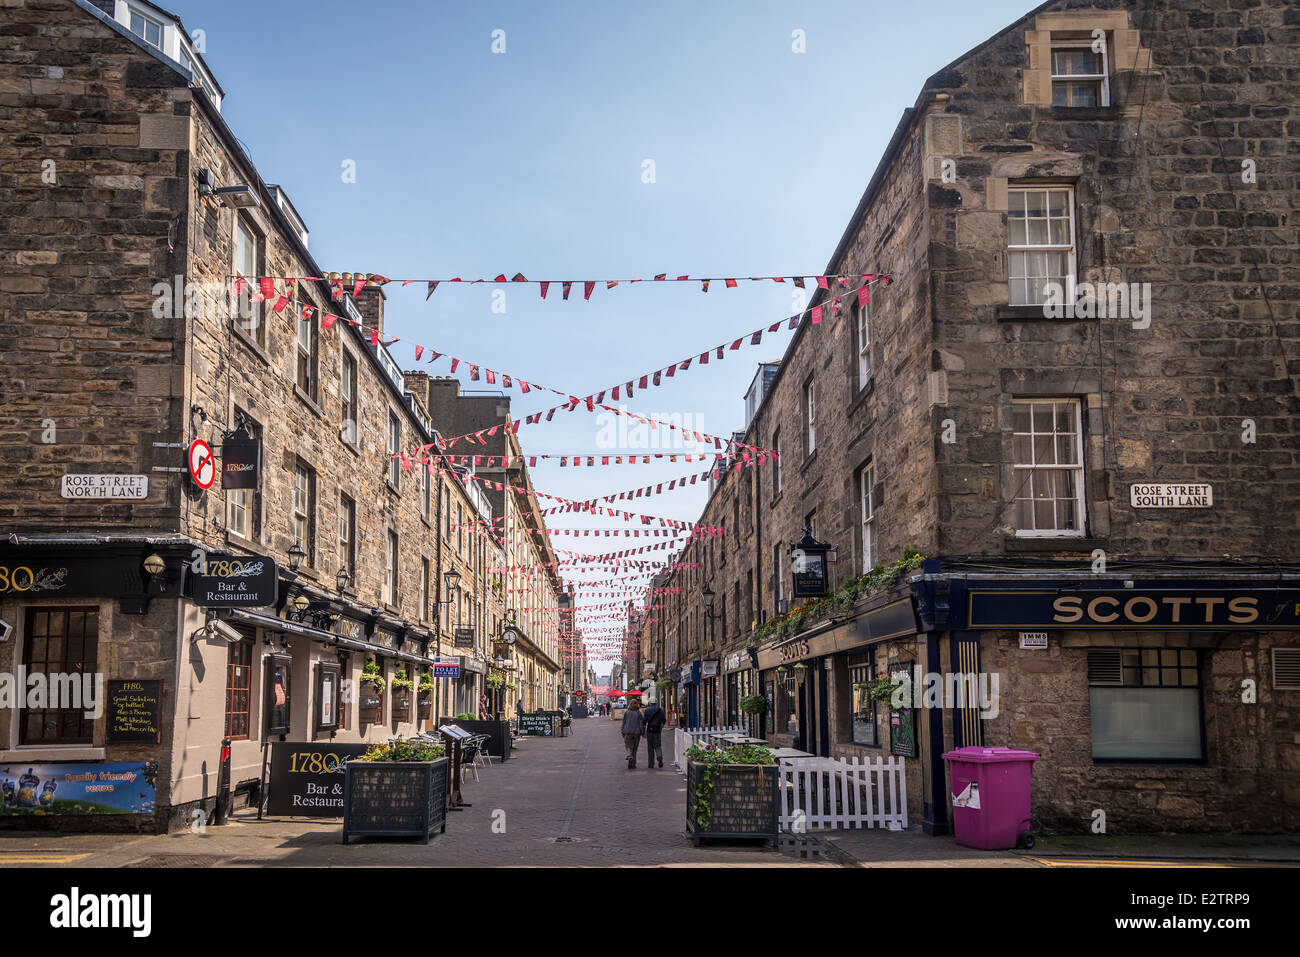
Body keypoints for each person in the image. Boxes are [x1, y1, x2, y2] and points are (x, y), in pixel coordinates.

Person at [620, 697, 645, 769]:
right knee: (635, 749)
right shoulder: (638, 713)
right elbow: (641, 724)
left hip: (627, 732)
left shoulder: (627, 712)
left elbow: (624, 722)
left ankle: (629, 755)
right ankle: (632, 764)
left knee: (628, 746)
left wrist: (622, 731)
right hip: (636, 733)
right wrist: (642, 732)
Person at [642, 698, 667, 769]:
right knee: (658, 745)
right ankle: (659, 756)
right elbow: (663, 721)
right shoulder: (660, 710)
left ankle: (651, 764)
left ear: (650, 703)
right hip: (657, 730)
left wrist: (643, 732)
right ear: (656, 702)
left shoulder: (647, 710)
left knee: (650, 747)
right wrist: (661, 728)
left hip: (650, 730)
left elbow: (644, 722)